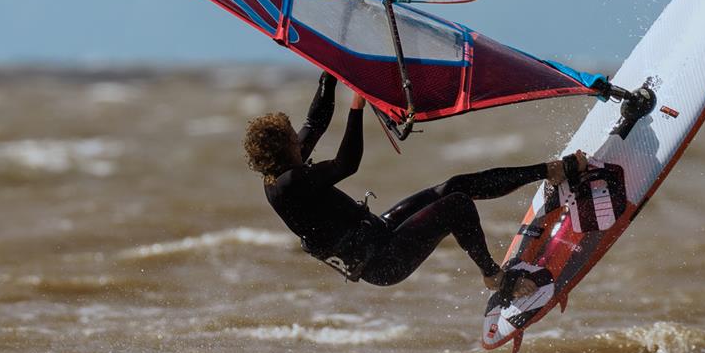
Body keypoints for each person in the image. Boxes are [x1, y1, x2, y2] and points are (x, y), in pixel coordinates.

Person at [243, 71, 591, 296]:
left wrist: (331, 73)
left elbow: (313, 121)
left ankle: (551, 171)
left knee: (454, 186)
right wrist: (357, 105)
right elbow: (347, 164)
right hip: (383, 261)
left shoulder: (283, 168)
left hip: (380, 232)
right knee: (456, 206)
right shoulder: (289, 185)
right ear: (282, 149)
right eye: (293, 139)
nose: (300, 140)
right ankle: (495, 277)